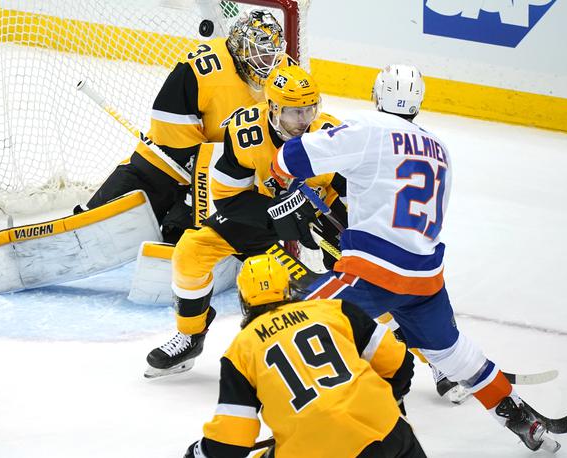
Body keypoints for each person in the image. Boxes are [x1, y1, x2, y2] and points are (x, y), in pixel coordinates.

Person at [269, 64, 567, 452]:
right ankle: (521, 417)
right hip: (425, 278)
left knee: (294, 319)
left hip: (373, 272)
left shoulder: (367, 127)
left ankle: (304, 424)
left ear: (376, 95)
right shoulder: (440, 150)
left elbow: (288, 161)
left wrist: (286, 163)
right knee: (455, 356)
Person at [144, 65, 346, 378]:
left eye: (309, 110)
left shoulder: (330, 134)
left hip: (319, 213)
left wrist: (345, 238)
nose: (303, 121)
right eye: (294, 113)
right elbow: (228, 199)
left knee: (354, 273)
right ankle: (190, 335)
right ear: (273, 108)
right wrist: (279, 215)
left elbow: (352, 192)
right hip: (259, 216)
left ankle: (369, 343)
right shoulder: (245, 132)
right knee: (191, 252)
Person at [183, 254, 426, 458]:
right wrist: (383, 400)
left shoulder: (241, 350)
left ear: (243, 300)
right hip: (390, 434)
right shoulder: (334, 310)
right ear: (289, 288)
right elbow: (399, 363)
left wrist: (199, 452)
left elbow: (230, 443)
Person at [80, 9, 287, 243]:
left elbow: (292, 126)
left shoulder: (284, 75)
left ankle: (179, 235)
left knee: (179, 239)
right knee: (99, 225)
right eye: (260, 54)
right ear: (240, 47)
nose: (268, 64)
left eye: (273, 55)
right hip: (169, 160)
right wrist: (195, 160)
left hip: (225, 177)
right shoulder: (203, 67)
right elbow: (168, 119)